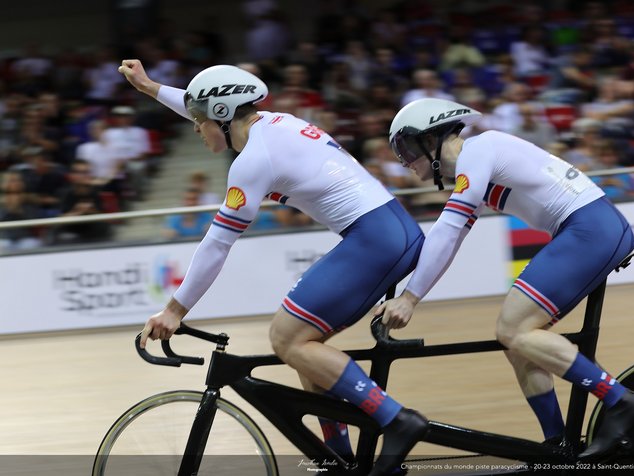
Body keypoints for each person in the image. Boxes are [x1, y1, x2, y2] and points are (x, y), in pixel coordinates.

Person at [118, 58, 428, 474]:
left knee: (287, 338)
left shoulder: (253, 160)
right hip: (387, 231)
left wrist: (175, 310)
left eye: (198, 121)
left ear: (222, 115)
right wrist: (150, 87)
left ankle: (397, 420)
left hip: (376, 239)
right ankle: (340, 461)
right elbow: (205, 106)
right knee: (305, 350)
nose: (194, 127)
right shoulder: (272, 124)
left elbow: (217, 244)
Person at [377, 98, 634, 460]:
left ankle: (621, 402)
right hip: (590, 228)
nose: (405, 161)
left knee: (513, 329)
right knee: (518, 343)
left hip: (589, 228)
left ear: (430, 139)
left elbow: (449, 229)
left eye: (406, 148)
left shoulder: (477, 152)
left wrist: (410, 298)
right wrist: (407, 287)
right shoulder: (478, 164)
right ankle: (557, 445)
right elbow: (450, 236)